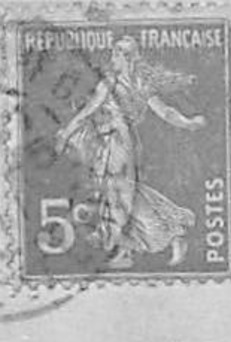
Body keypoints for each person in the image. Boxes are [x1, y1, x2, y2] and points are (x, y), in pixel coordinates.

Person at [53, 36, 204, 269]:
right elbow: (166, 113)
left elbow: (87, 112)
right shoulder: (141, 84)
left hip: (116, 141)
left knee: (119, 193)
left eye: (116, 53)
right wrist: (188, 123)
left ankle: (117, 240)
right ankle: (152, 240)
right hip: (118, 141)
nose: (113, 58)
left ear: (126, 58)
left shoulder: (111, 84)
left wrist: (65, 134)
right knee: (126, 191)